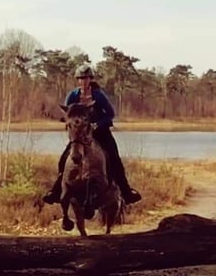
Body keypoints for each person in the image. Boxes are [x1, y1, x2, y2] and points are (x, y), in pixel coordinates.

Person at [42, 64, 142, 206]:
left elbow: (110, 114)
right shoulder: (72, 95)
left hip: (100, 132)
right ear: (78, 80)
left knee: (114, 158)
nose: (83, 81)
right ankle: (55, 191)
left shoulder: (98, 95)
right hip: (80, 135)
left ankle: (126, 192)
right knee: (63, 159)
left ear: (90, 79)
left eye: (86, 78)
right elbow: (68, 115)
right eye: (81, 78)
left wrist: (97, 125)